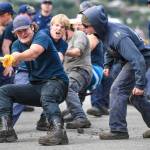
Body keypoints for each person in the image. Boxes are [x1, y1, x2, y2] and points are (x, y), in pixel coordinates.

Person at [82, 5, 150, 140]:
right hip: (131, 60)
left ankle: (118, 130)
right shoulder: (104, 32)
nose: (84, 29)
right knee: (134, 97)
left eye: (86, 26)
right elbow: (109, 48)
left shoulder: (117, 36)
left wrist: (140, 85)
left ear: (96, 24)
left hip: (139, 60)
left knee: (118, 89)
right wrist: (107, 65)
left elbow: (138, 60)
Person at [0, 15, 69, 145]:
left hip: (57, 83)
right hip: (37, 86)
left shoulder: (41, 36)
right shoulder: (16, 44)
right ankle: (6, 131)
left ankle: (59, 132)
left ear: (32, 27)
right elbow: (15, 58)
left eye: (25, 29)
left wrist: (17, 57)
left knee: (47, 94)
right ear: (15, 33)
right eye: (19, 32)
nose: (22, 33)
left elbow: (34, 53)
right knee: (4, 91)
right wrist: (11, 59)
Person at [36, 14, 69, 131]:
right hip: (34, 70)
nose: (59, 29)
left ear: (65, 30)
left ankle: (44, 120)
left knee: (53, 91)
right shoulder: (43, 34)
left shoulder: (63, 44)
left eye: (63, 27)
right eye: (56, 25)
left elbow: (59, 57)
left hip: (49, 74)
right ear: (51, 26)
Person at [63, 21, 92, 129]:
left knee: (68, 86)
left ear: (65, 27)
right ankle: (49, 118)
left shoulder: (79, 34)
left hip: (81, 70)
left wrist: (61, 50)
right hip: (69, 72)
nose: (56, 30)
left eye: (59, 27)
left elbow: (77, 52)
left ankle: (81, 118)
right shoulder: (62, 40)